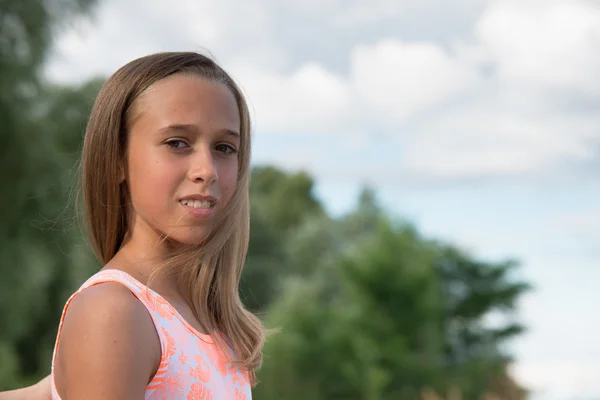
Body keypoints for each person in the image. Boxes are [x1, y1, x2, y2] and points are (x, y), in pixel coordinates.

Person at [2, 51, 266, 399]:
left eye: (224, 147)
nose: (208, 169)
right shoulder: (113, 313)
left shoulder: (209, 325)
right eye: (177, 143)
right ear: (116, 160)